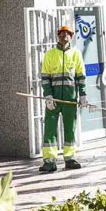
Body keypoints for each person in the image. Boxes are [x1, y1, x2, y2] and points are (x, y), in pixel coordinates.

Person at [38, 24, 88, 173]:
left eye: (68, 34)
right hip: (53, 99)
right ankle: (50, 161)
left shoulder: (76, 54)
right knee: (50, 130)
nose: (64, 36)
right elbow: (45, 77)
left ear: (71, 37)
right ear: (58, 36)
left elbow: (81, 76)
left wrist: (83, 94)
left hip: (70, 99)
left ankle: (70, 158)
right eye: (62, 33)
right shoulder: (50, 54)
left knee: (70, 130)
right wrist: (48, 95)